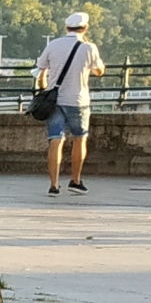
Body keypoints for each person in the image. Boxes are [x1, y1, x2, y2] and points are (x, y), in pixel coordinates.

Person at [34, 11, 104, 195]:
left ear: (66, 28)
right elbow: (99, 71)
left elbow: (40, 70)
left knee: (55, 141)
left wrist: (44, 89)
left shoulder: (53, 45)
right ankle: (75, 180)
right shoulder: (89, 47)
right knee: (79, 139)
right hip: (78, 100)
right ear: (85, 28)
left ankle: (54, 185)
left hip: (55, 101)